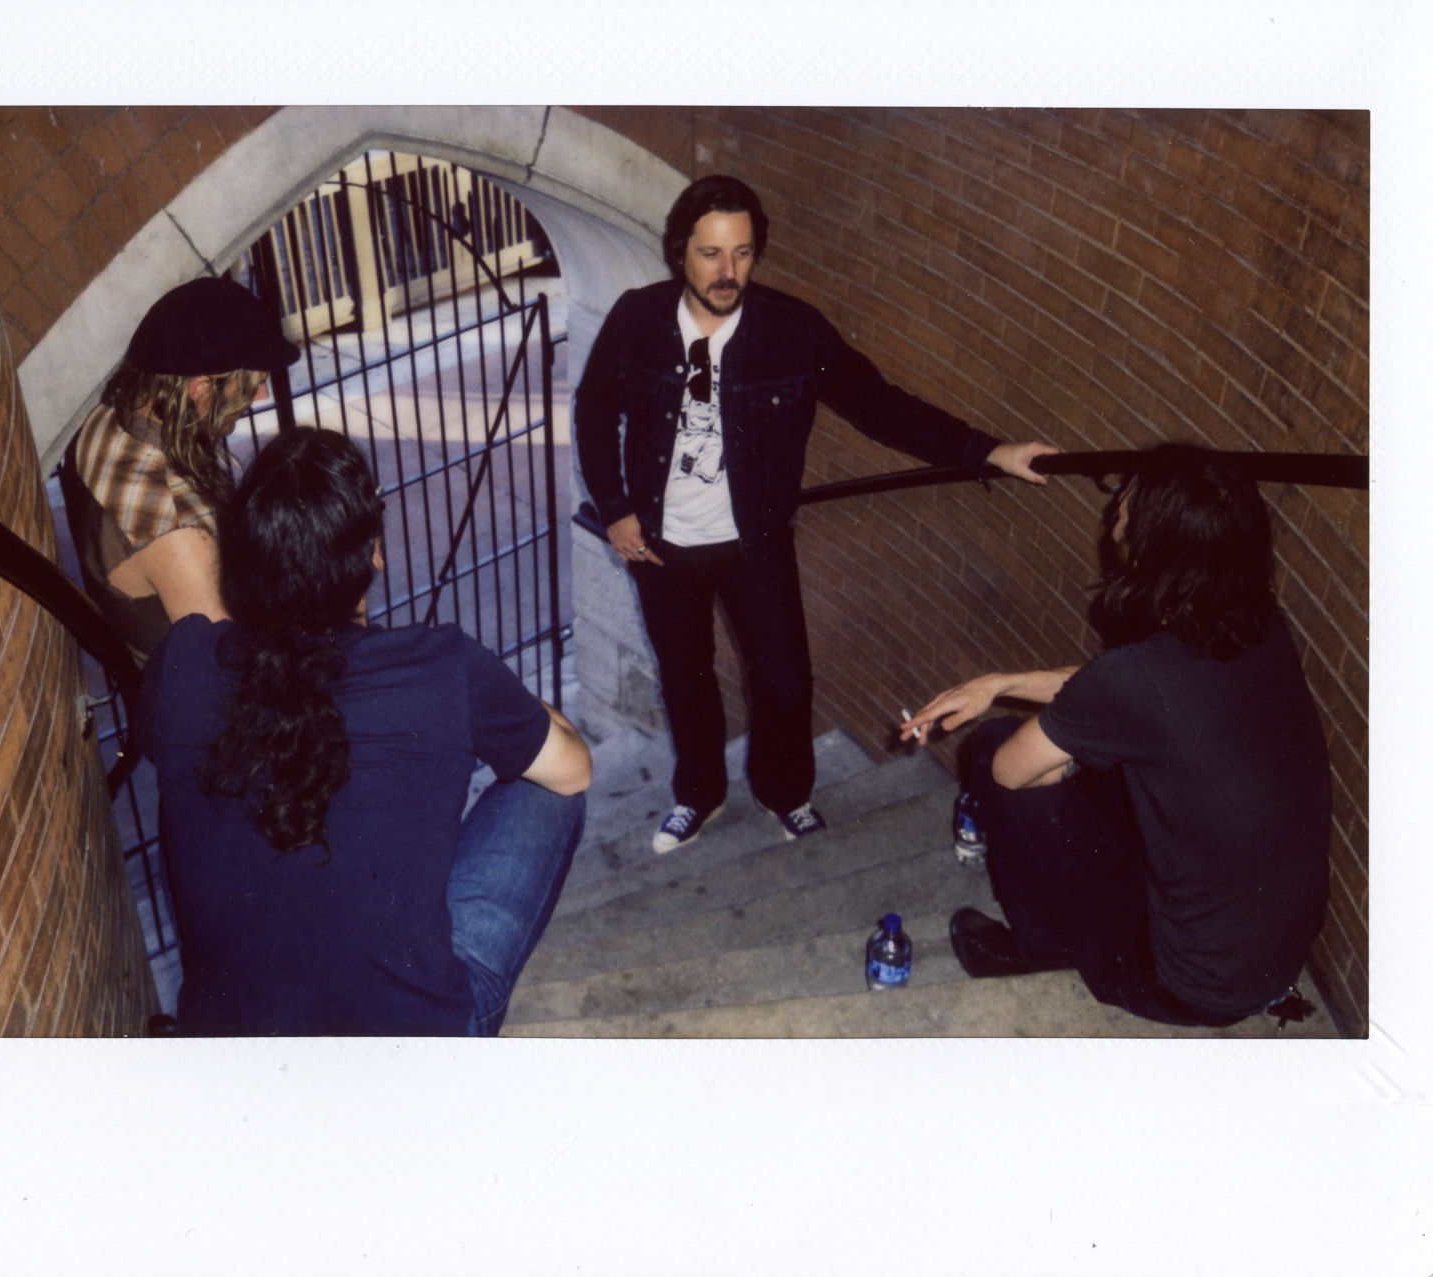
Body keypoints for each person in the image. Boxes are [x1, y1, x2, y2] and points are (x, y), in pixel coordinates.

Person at [575, 174, 1057, 853]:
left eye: (742, 253)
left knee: (785, 680)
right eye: (711, 253)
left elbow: (881, 406)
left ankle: (785, 792)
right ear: (679, 250)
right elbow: (595, 414)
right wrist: (617, 509)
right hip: (661, 544)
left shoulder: (793, 331)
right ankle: (699, 795)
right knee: (685, 675)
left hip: (756, 540)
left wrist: (989, 450)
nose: (727, 272)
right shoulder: (636, 318)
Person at [138, 428, 591, 1036]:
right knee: (547, 790)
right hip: (408, 1046)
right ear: (372, 551)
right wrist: (492, 700)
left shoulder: (182, 658)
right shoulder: (443, 664)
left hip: (230, 1043)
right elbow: (572, 768)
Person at [902, 444, 1330, 1027]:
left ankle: (1041, 950)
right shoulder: (1258, 623)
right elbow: (1128, 697)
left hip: (1185, 982)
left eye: (1128, 505)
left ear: (1156, 545)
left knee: (989, 750)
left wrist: (1052, 750)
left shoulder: (1138, 680)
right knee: (1088, 761)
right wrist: (1003, 682)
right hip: (1272, 953)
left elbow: (1013, 769)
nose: (1116, 512)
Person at [61, 276, 300, 663]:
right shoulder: (180, 531)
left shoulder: (105, 417)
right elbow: (231, 672)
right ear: (201, 389)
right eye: (254, 382)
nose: (262, 395)